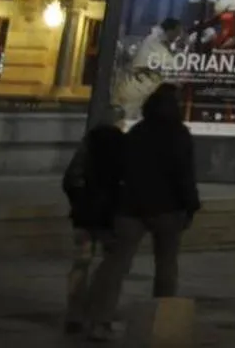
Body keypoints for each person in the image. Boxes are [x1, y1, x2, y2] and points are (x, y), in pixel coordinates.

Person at [84, 84, 200, 340]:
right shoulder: (179, 135)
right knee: (167, 266)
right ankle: (163, 323)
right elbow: (184, 175)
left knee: (115, 265)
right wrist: (191, 206)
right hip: (168, 209)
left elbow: (120, 170)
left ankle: (98, 321)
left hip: (131, 208)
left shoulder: (137, 133)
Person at [62, 112, 128, 333]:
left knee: (81, 264)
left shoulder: (88, 146)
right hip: (109, 218)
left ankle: (74, 314)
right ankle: (100, 315)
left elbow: (70, 179)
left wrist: (79, 201)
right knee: (111, 266)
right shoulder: (123, 147)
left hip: (84, 216)